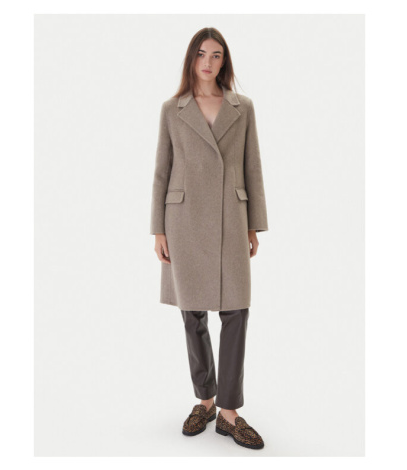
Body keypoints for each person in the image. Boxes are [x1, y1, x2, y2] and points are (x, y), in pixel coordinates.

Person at [150, 27, 268, 450]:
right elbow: (161, 171)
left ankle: (229, 412)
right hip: (183, 221)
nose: (208, 62)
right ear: (191, 58)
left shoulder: (242, 107)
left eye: (216, 55)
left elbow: (252, 167)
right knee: (193, 313)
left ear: (224, 61)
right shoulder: (172, 109)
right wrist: (158, 229)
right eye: (201, 53)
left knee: (236, 311)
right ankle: (205, 400)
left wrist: (253, 224)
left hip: (231, 217)